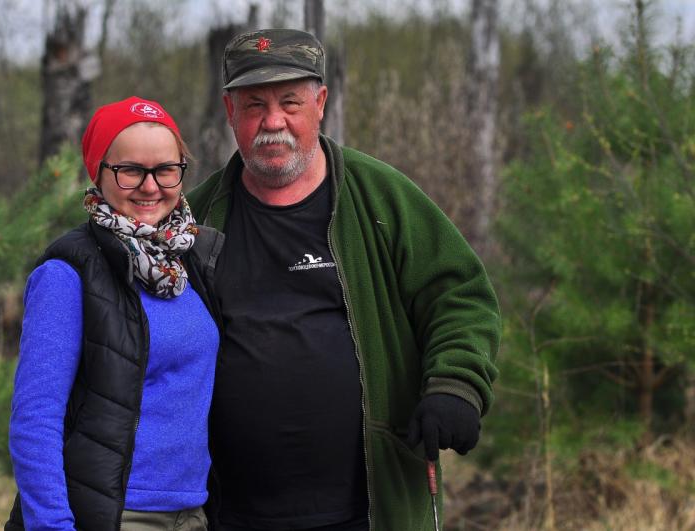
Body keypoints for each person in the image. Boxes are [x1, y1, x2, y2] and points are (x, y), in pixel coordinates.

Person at [187, 29, 500, 531]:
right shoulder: (196, 220)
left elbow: (459, 295)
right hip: (230, 513)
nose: (273, 121)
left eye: (290, 102)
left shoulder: (381, 198)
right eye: (254, 105)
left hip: (371, 509)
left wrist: (456, 384)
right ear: (230, 112)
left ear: (320, 103)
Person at [5, 96, 221, 531]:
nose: (150, 186)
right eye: (130, 170)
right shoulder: (67, 275)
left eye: (166, 169)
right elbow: (35, 420)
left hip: (193, 512)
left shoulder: (189, 261)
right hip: (116, 514)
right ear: (99, 172)